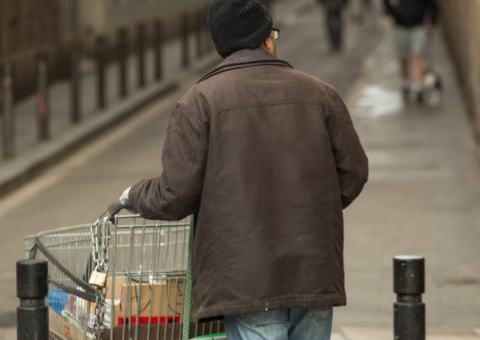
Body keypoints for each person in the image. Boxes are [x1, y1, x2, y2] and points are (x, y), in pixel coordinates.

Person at [112, 0, 368, 339]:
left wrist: (133, 194)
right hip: (314, 270)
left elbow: (174, 194)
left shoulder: (198, 102)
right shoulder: (321, 94)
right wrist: (310, 211)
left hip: (247, 279)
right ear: (267, 40)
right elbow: (354, 171)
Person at [383, 0, 438, 103]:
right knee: (403, 57)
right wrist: (391, 12)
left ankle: (418, 87)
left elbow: (432, 4)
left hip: (418, 25)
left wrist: (432, 22)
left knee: (417, 55)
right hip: (399, 25)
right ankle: (406, 83)